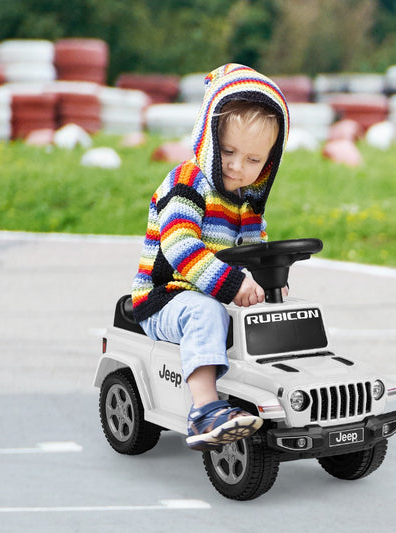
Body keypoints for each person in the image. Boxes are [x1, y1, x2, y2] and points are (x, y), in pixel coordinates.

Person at [131, 64, 289, 451]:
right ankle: (204, 409)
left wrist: (268, 282)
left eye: (253, 160)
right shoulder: (187, 183)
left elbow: (255, 252)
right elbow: (180, 246)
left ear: (269, 161)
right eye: (228, 151)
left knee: (277, 312)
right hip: (166, 296)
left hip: (215, 292)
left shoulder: (248, 202)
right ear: (207, 138)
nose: (237, 166)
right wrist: (234, 284)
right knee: (204, 313)